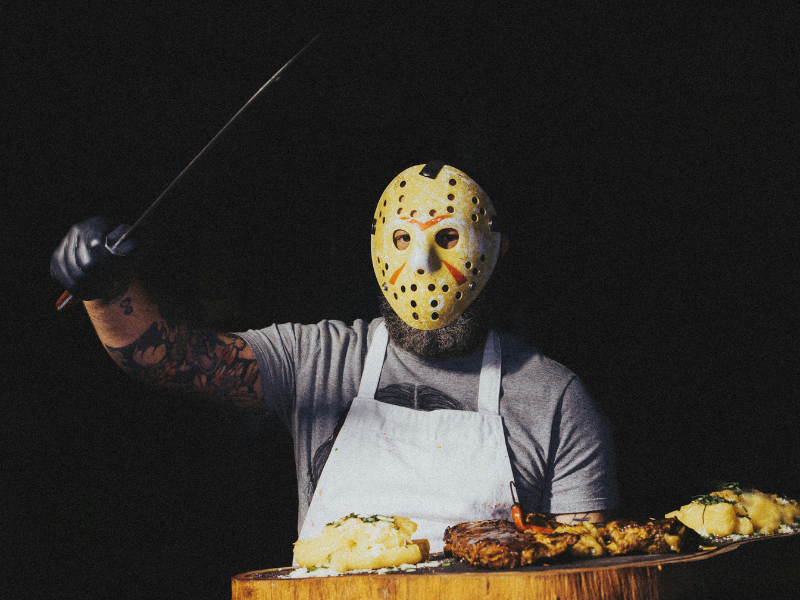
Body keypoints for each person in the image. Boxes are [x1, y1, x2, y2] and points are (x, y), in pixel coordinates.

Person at [51, 161, 618, 553]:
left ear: (494, 252)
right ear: (376, 247)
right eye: (402, 241)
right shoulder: (317, 358)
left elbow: (585, 572)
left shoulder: (555, 400)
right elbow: (168, 357)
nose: (422, 265)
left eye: (447, 239)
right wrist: (105, 287)